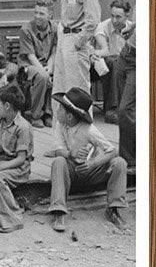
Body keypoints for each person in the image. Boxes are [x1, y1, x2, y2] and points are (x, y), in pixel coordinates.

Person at [44, 87, 128, 233]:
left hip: (91, 172)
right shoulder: (60, 124)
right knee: (58, 161)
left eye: (60, 109)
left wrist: (92, 163)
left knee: (120, 163)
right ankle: (59, 211)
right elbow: (58, 150)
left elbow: (112, 151)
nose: (56, 111)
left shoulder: (89, 130)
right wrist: (71, 153)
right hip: (72, 172)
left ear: (69, 116)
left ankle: (114, 209)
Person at [0, 84, 33, 233]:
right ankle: (12, 206)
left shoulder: (23, 127)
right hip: (1, 162)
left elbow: (21, 159)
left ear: (7, 106)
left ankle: (13, 220)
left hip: (18, 167)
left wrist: (0, 168)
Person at [51, 0, 101, 102]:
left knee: (77, 93)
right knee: (60, 91)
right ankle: (62, 129)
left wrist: (78, 42)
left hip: (76, 41)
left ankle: (81, 129)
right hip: (64, 40)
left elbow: (93, 20)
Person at [18, 0, 58, 128]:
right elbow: (30, 56)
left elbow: (54, 51)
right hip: (28, 65)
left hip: (47, 64)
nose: (37, 16)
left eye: (41, 13)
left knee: (60, 73)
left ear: (50, 15)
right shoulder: (26, 29)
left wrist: (50, 67)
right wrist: (44, 72)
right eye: (35, 13)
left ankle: (48, 114)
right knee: (42, 77)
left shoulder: (55, 28)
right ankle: (34, 114)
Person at [114, 0, 137, 167]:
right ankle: (124, 157)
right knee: (124, 108)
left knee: (125, 109)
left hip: (137, 60)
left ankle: (133, 158)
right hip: (126, 56)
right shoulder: (139, 0)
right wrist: (130, 29)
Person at [93, 0, 130, 122]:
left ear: (127, 16)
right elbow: (106, 51)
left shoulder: (132, 28)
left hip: (124, 65)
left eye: (118, 17)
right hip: (100, 67)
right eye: (112, 16)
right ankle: (111, 109)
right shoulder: (103, 27)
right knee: (112, 63)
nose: (114, 20)